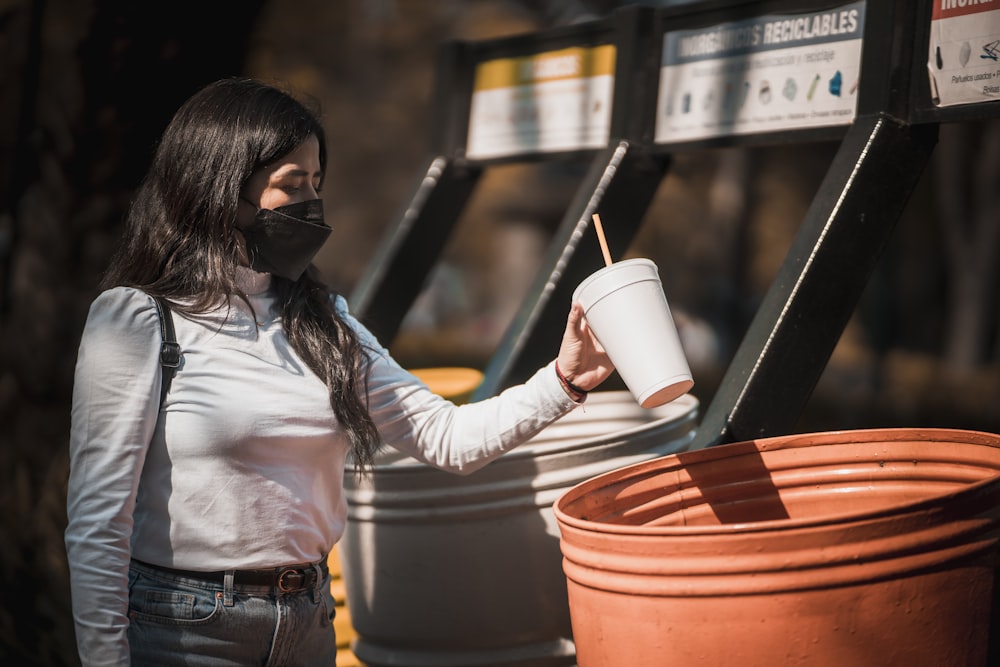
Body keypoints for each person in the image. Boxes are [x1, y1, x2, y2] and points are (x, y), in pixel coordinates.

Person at [65, 76, 613, 666]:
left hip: (308, 623)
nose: (309, 205)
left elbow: (447, 438)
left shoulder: (327, 324)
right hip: (184, 629)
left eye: (316, 183)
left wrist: (566, 377)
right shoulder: (138, 319)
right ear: (217, 187)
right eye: (290, 185)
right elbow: (98, 520)